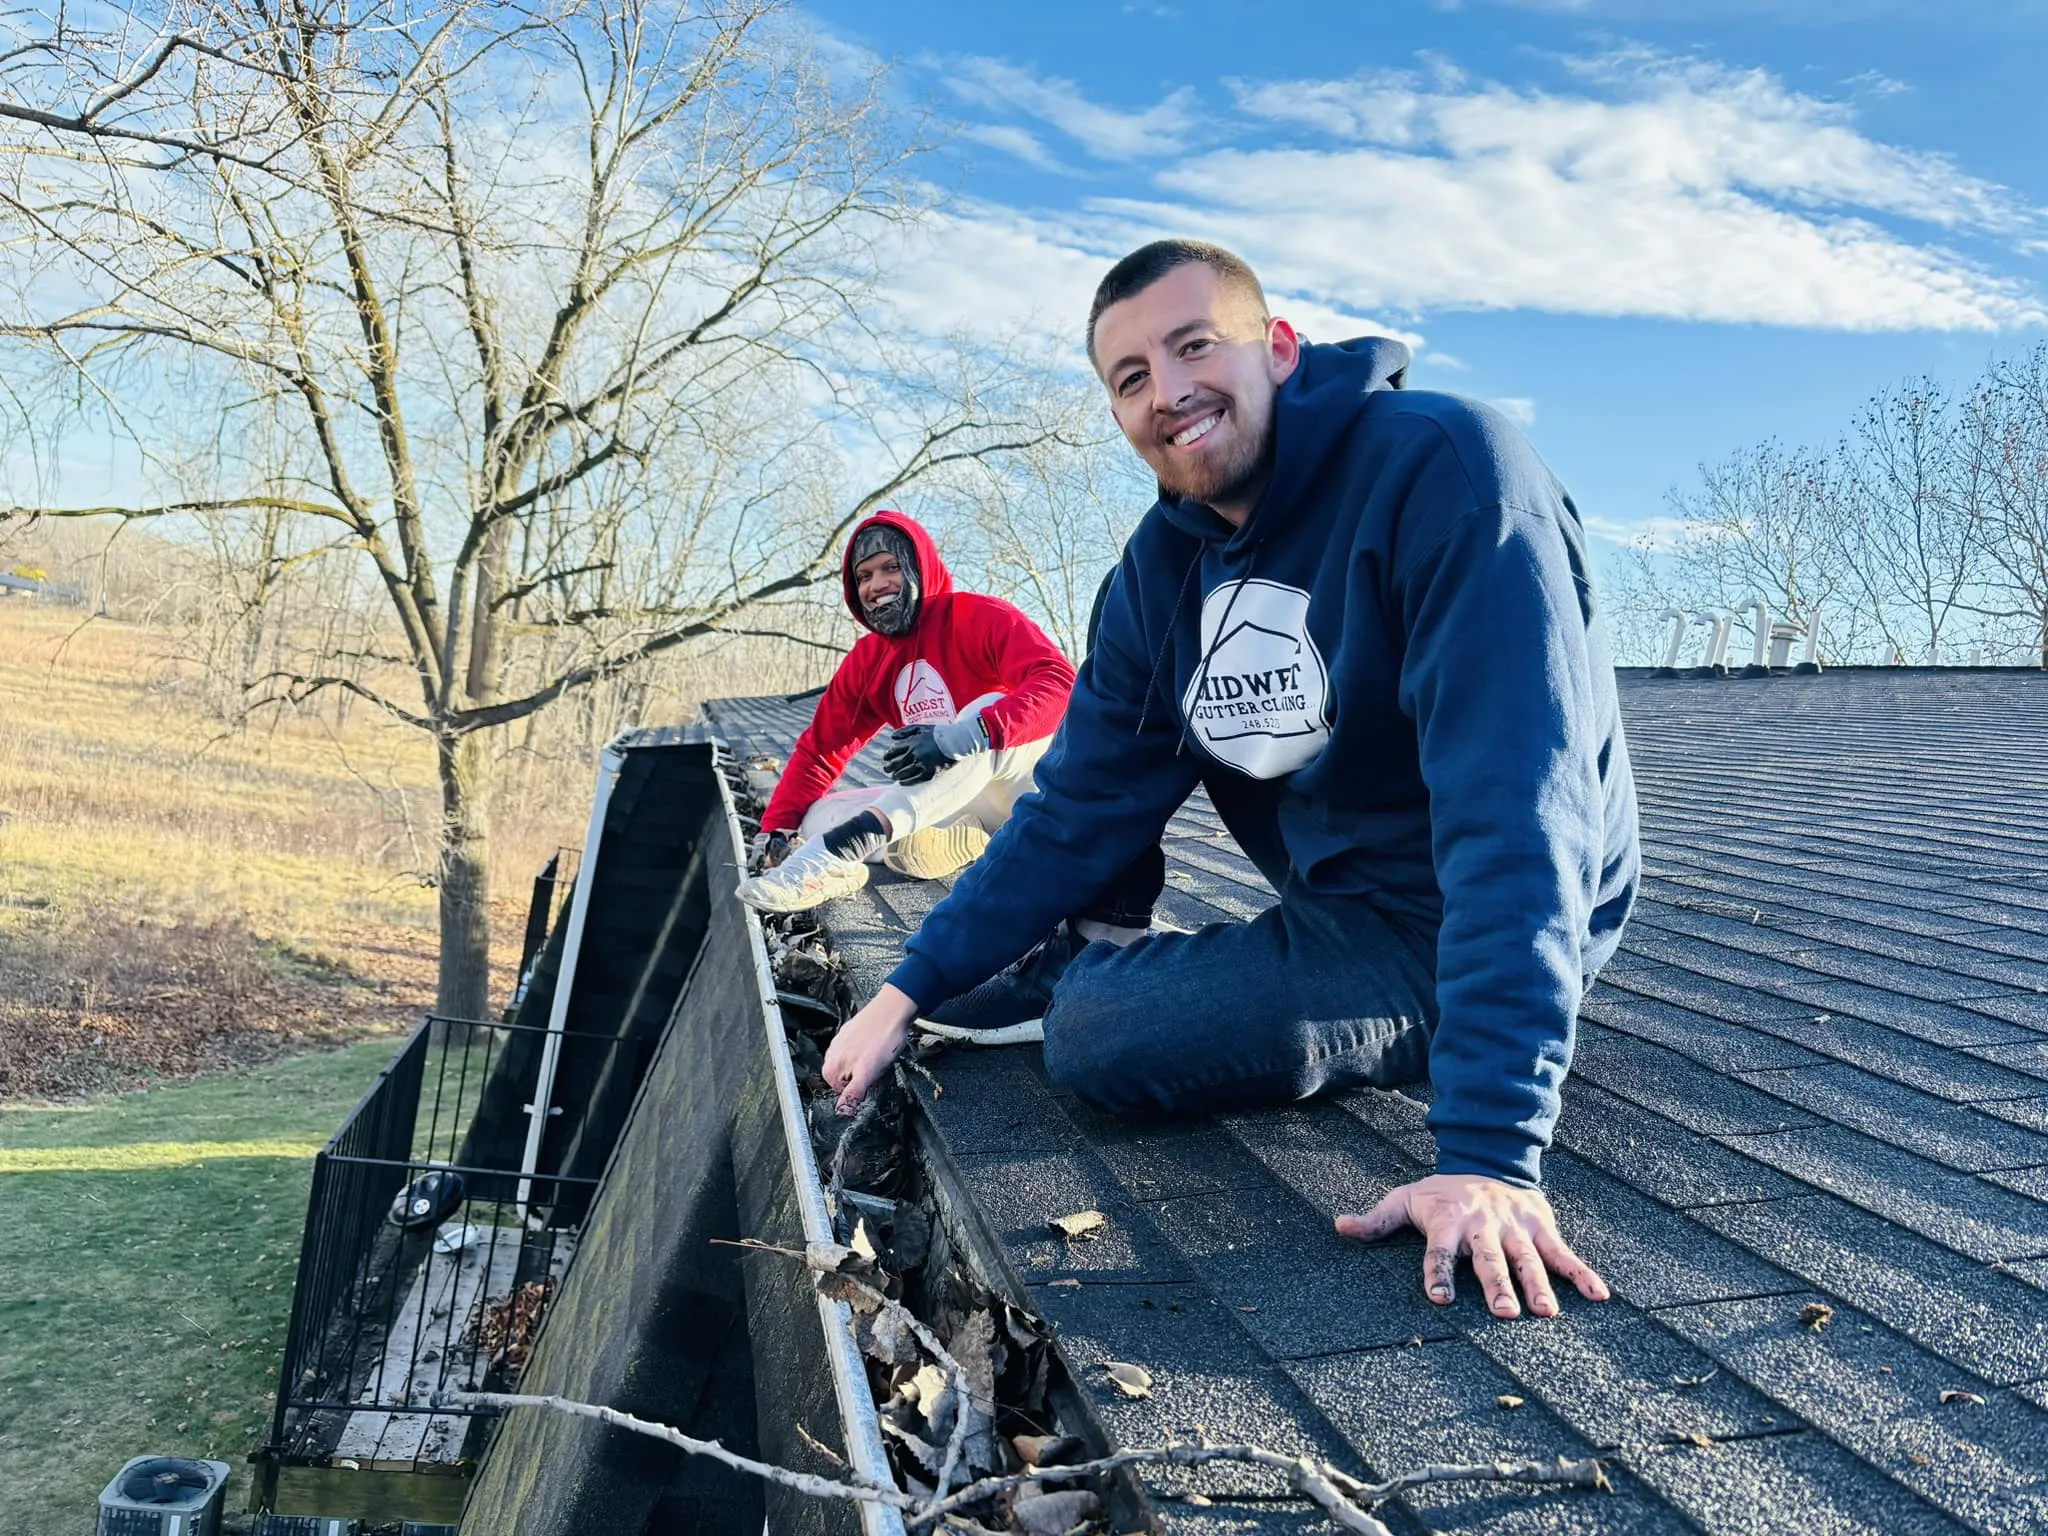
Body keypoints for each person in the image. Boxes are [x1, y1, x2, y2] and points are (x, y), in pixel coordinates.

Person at [822, 240, 1640, 1321]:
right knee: (1093, 1005)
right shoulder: (1158, 574)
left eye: (1193, 344)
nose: (1167, 392)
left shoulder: (1448, 471)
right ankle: (1082, 962)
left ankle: (1470, 1017)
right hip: (1344, 910)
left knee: (1095, 1037)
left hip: (1486, 910)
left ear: (1281, 350)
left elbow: (1520, 812)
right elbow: (1076, 808)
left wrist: (1490, 1153)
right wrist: (906, 986)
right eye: (1128, 377)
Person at [738, 510, 1076, 913]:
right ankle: (875, 860)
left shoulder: (980, 616)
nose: (876, 585)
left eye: (890, 567)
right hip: (951, 803)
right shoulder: (869, 659)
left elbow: (1059, 682)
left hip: (1030, 791)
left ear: (918, 567)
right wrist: (775, 828)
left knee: (983, 710)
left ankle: (843, 849)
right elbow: (821, 750)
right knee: (815, 817)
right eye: (863, 576)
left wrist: (968, 734)